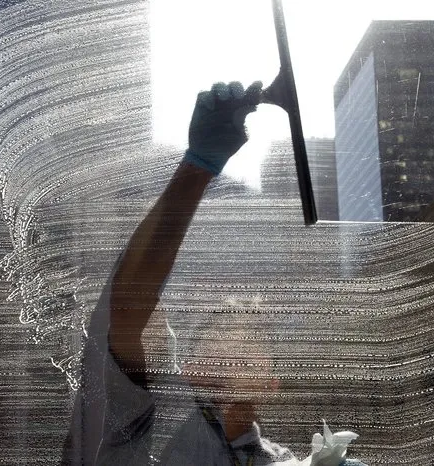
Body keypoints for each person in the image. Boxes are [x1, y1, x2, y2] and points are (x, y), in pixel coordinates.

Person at [62, 81, 366, 465]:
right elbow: (128, 305)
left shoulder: (282, 461)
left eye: (252, 340)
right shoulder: (153, 413)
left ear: (272, 383)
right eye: (218, 337)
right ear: (190, 369)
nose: (235, 346)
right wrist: (197, 167)